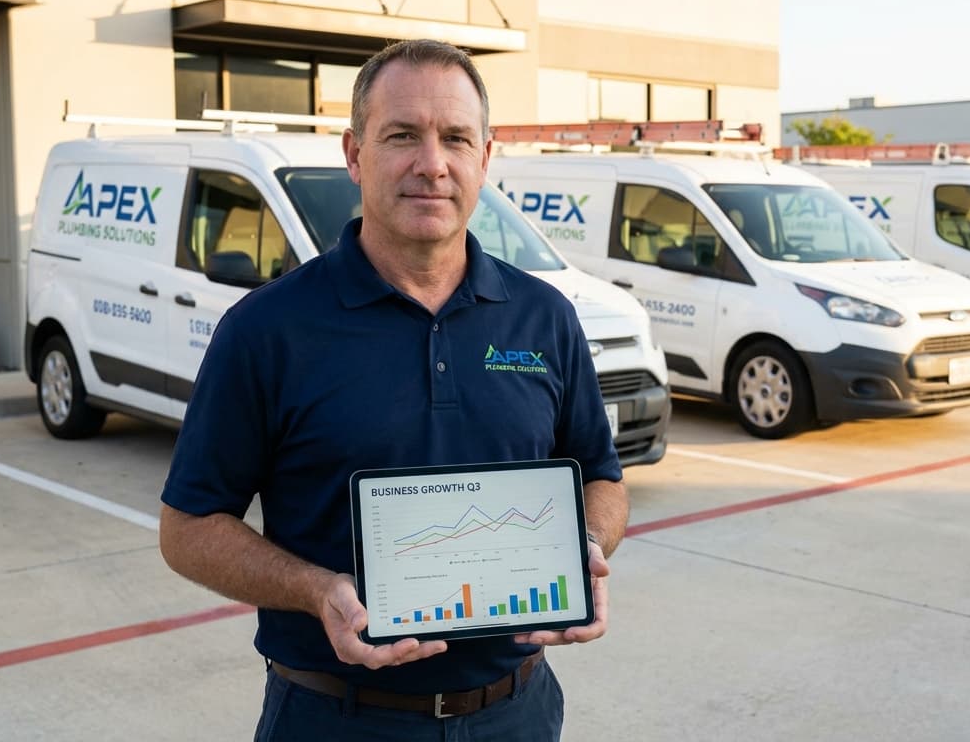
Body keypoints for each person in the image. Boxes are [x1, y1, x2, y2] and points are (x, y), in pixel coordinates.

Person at [158, 38, 627, 741]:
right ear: (354, 155)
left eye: (456, 139)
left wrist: (582, 545)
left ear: (486, 158)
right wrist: (318, 594)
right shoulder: (267, 329)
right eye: (402, 135)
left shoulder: (545, 316)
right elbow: (187, 529)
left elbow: (601, 475)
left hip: (517, 713)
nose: (432, 164)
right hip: (334, 717)